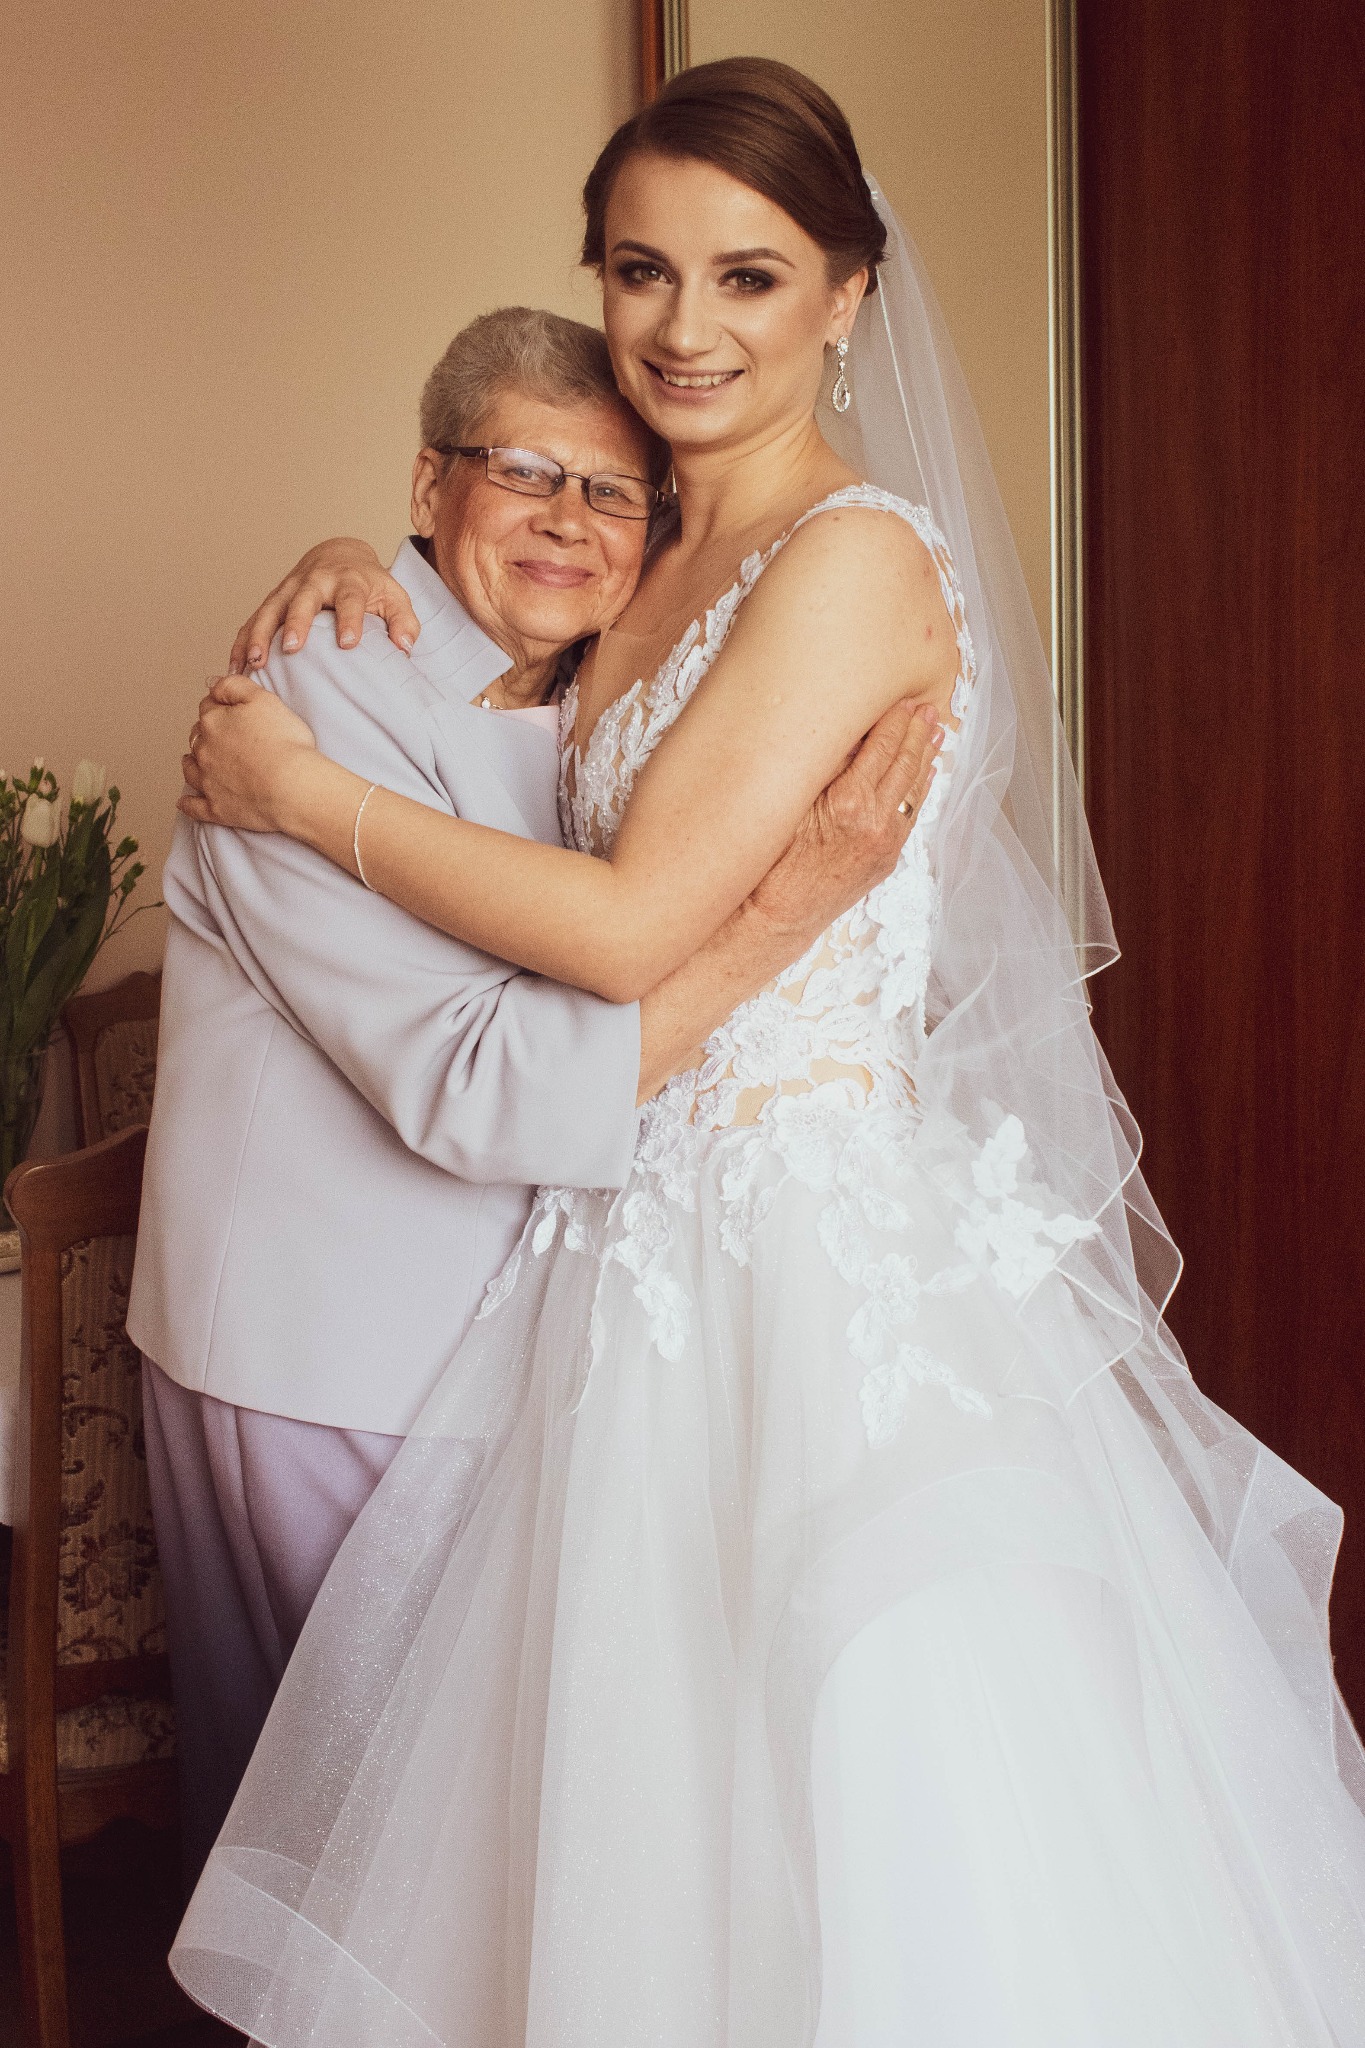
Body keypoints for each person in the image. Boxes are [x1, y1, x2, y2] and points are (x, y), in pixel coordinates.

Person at [170, 58, 1365, 2048]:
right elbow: (486, 609)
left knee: (876, 1772)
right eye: (642, 272)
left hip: (810, 1263)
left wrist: (298, 796)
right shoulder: (638, 567)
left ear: (846, 296)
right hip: (615, 1241)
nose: (683, 327)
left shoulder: (848, 559)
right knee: (624, 1806)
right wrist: (343, 558)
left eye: (748, 275)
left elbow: (632, 925)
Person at [127, 301, 940, 1880]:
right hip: (324, 1343)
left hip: (528, 1328)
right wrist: (780, 920)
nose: (570, 523)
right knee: (348, 1844)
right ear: (429, 488)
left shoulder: (600, 706)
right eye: (522, 474)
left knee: (508, 1832)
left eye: (613, 492)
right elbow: (479, 1084)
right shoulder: (304, 705)